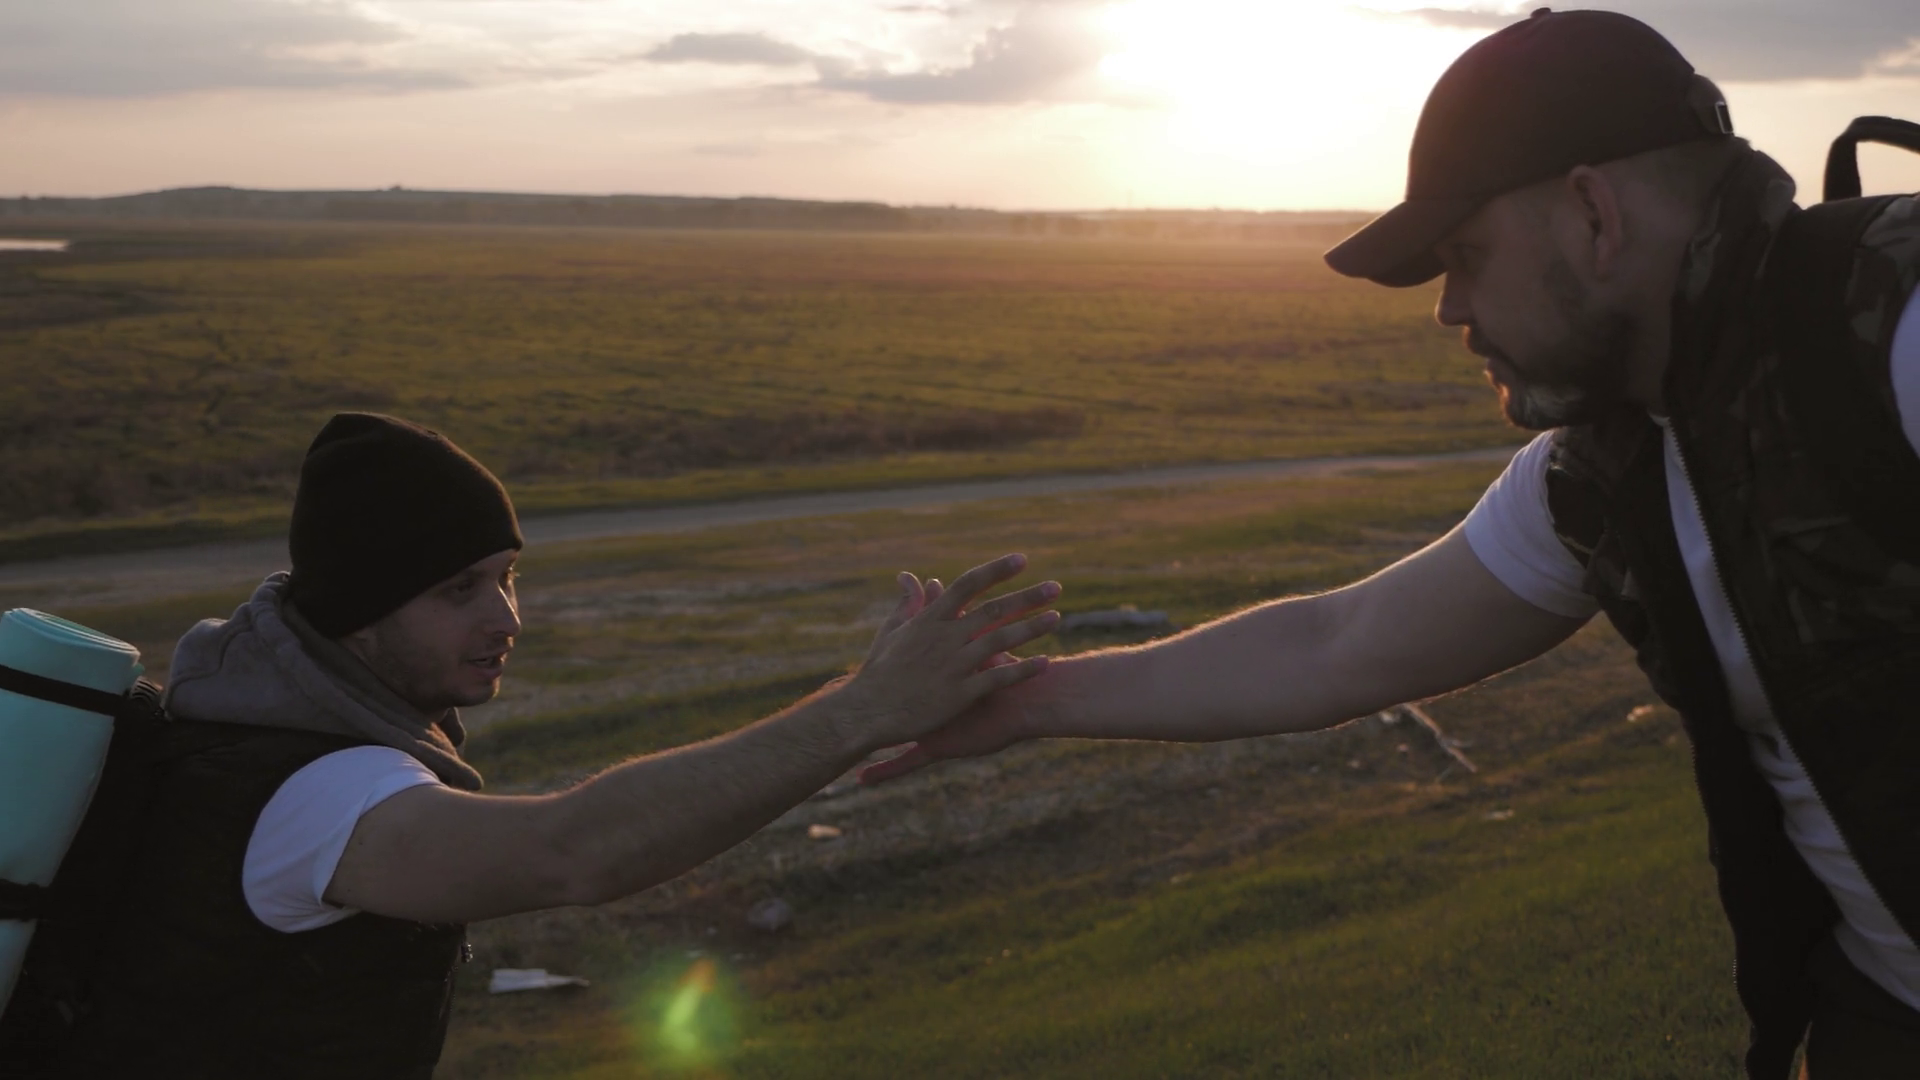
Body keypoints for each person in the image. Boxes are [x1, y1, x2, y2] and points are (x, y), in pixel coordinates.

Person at [862, 10, 1920, 1078]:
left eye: (1465, 256)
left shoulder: (1896, 340)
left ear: (1594, 215)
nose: (1448, 309)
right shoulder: (1609, 471)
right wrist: (1026, 702)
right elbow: (1338, 644)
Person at [47, 411, 1059, 1078]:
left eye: (507, 577)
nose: (506, 618)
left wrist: (863, 694)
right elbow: (572, 852)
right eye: (459, 589)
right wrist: (858, 714)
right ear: (359, 609)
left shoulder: (246, 722)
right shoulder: (316, 794)